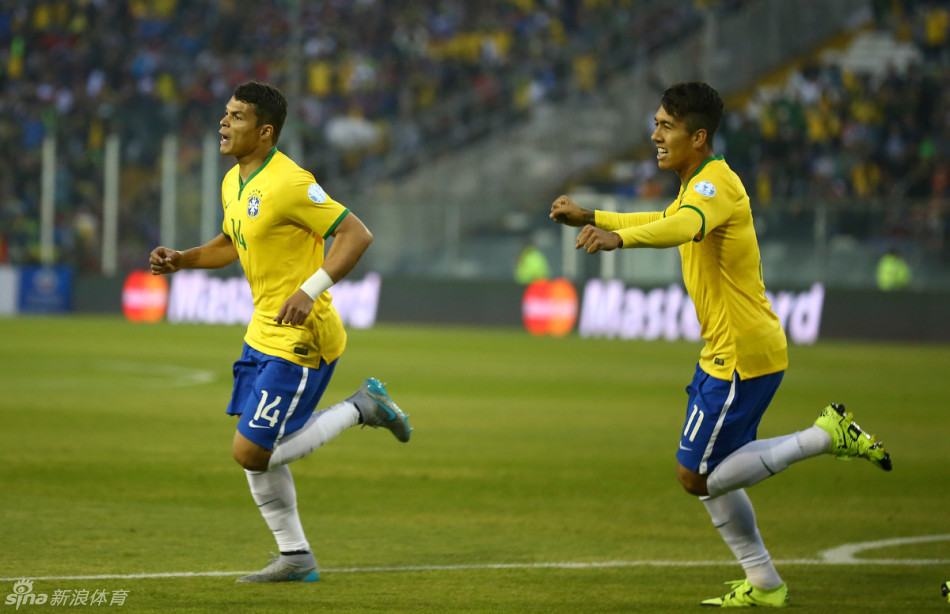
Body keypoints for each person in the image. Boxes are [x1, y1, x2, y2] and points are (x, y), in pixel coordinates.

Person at [549, 82, 892, 607]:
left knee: (695, 476)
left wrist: (617, 238)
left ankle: (824, 436)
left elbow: (682, 227)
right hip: (728, 351)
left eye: (667, 126)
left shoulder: (714, 185)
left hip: (741, 354)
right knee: (711, 471)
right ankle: (765, 584)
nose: (655, 135)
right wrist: (594, 217)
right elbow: (667, 219)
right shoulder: (698, 183)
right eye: (656, 123)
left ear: (698, 137)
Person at [149, 81, 412, 583]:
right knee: (257, 452)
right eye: (225, 113)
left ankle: (363, 406)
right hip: (262, 333)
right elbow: (233, 243)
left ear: (265, 131)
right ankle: (295, 557)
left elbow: (356, 234)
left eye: (237, 117)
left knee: (250, 451)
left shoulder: (290, 183)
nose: (224, 122)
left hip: (302, 335)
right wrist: (183, 259)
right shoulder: (234, 181)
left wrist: (309, 290)